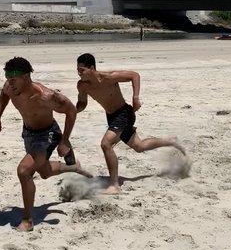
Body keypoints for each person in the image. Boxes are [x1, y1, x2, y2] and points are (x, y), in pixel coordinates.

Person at [0, 57, 92, 232]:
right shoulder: (10, 88)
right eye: (7, 78)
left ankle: (27, 220)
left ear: (26, 77)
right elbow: (3, 95)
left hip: (48, 135)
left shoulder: (45, 96)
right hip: (28, 133)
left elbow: (71, 111)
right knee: (44, 172)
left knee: (24, 171)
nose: (9, 83)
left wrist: (64, 140)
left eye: (13, 79)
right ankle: (74, 167)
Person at [75, 53, 185, 195]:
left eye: (82, 70)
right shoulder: (82, 86)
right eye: (77, 70)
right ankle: (170, 141)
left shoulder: (108, 77)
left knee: (106, 144)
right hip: (112, 117)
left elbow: (135, 75)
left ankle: (114, 185)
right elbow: (82, 103)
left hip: (124, 113)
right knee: (139, 146)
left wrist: (135, 98)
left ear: (91, 68)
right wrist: (73, 111)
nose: (79, 73)